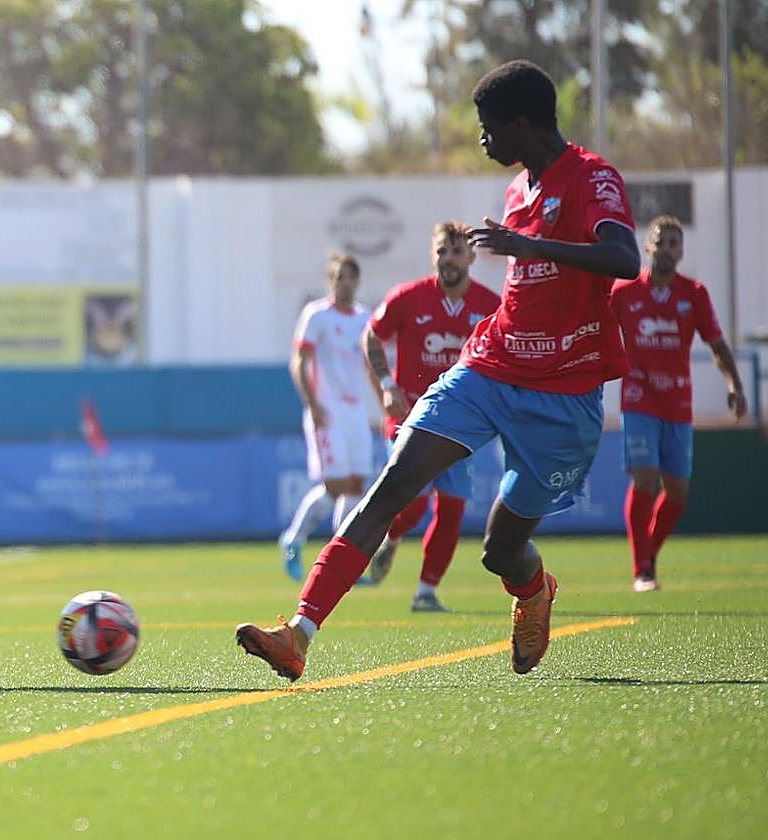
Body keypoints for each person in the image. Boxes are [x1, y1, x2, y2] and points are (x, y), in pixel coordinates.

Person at [236, 59, 640, 681]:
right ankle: (299, 633)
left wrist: (530, 246)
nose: (482, 138)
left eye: (487, 125)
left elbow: (624, 258)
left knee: (501, 551)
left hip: (564, 394)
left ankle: (534, 590)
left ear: (523, 123)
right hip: (490, 368)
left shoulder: (592, 177)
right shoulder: (518, 189)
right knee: (394, 482)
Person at [363, 221, 501, 611]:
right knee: (414, 503)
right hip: (411, 417)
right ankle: (390, 538)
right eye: (442, 251)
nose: (448, 259)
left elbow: (504, 355)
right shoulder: (408, 298)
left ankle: (426, 592)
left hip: (461, 424)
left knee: (452, 508)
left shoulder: (490, 306)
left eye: (456, 251)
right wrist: (386, 385)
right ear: (432, 255)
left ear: (471, 257)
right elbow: (372, 336)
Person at [610, 216, 746, 592]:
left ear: (681, 252)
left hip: (678, 401)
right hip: (638, 398)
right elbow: (597, 329)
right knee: (645, 477)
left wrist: (734, 385)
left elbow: (716, 345)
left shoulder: (694, 294)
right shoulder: (623, 292)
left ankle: (649, 554)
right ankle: (642, 569)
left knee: (678, 493)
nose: (666, 249)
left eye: (674, 243)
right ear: (647, 247)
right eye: (660, 242)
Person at [278, 253, 373, 581]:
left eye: (349, 276)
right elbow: (299, 362)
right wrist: (313, 404)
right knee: (334, 486)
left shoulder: (364, 318)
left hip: (356, 412)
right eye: (337, 277)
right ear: (329, 281)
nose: (343, 283)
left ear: (357, 281)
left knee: (357, 485)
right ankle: (294, 538)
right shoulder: (316, 315)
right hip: (328, 411)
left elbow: (371, 365)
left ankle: (340, 560)